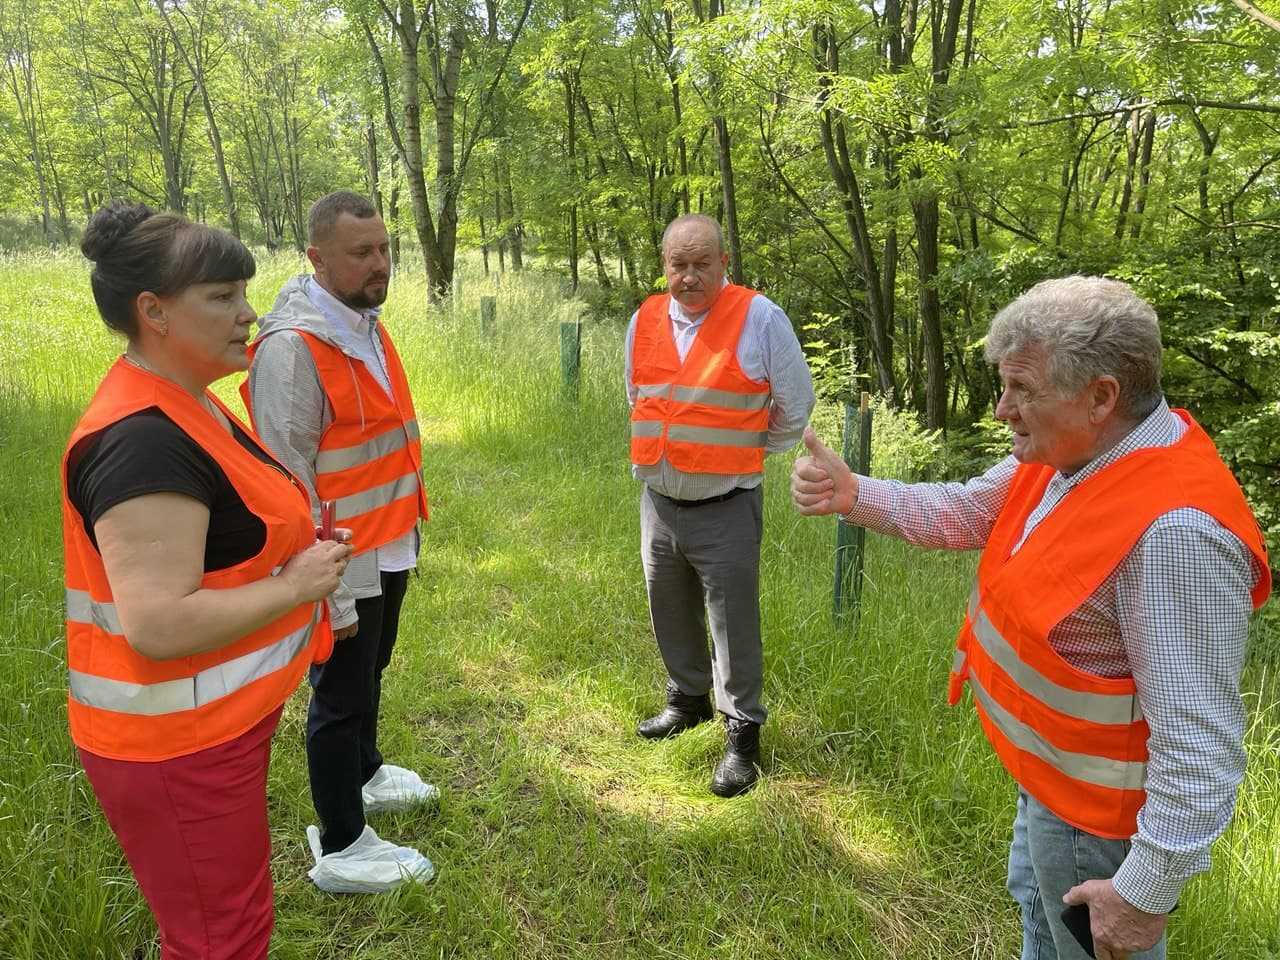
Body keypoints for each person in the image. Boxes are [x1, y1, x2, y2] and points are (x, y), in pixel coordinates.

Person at [791, 276, 1271, 960]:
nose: (1000, 409)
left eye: (1021, 388)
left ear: (1101, 397)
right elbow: (967, 510)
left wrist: (1142, 895)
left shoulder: (1175, 533)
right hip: (1051, 789)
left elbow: (1200, 747)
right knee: (1040, 930)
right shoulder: (1071, 452)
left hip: (1100, 831)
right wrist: (854, 493)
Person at [64, 200, 353, 959]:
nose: (249, 313)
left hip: (208, 729)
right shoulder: (142, 443)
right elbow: (158, 625)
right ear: (153, 311)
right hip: (173, 747)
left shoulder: (188, 401)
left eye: (243, 293)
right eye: (222, 297)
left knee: (221, 925)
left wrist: (299, 558)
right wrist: (295, 587)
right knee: (222, 940)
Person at [242, 191, 436, 893]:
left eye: (384, 248)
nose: (380, 263)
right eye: (361, 253)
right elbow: (285, 476)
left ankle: (366, 771)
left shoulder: (363, 323)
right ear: (316, 258)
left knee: (371, 670)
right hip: (338, 556)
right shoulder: (293, 348)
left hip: (388, 540)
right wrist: (321, 582)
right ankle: (343, 843)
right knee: (340, 693)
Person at [627, 213, 815, 797]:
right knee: (667, 605)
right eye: (678, 265)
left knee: (733, 622)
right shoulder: (645, 318)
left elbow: (795, 406)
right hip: (658, 498)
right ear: (665, 266)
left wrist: (744, 450)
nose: (689, 277)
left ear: (723, 263)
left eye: (701, 264)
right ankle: (687, 699)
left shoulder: (760, 318)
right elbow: (637, 393)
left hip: (727, 502)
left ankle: (742, 732)